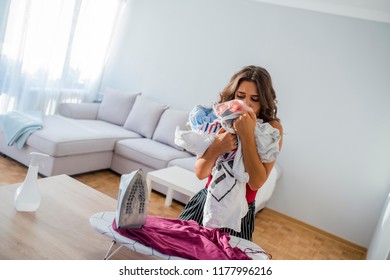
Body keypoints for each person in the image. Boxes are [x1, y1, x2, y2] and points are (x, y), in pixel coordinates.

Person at [178, 65, 283, 241]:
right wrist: (216, 148)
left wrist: (247, 135)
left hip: (239, 215)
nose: (245, 104)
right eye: (240, 96)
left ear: (264, 101)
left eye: (254, 99)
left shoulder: (270, 130)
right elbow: (200, 172)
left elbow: (256, 182)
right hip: (205, 203)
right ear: (233, 95)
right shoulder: (219, 118)